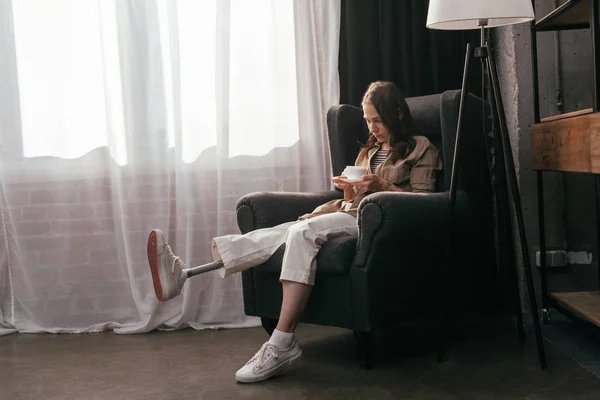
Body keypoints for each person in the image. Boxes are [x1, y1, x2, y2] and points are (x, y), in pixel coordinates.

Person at [146, 81, 442, 383]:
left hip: (374, 223)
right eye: (368, 120)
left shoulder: (421, 148)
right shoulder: (369, 151)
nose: (372, 127)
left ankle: (282, 342)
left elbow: (424, 199)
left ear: (398, 114)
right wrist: (349, 188)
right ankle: (182, 275)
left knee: (303, 232)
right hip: (345, 212)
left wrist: (382, 187)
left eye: (377, 120)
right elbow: (352, 198)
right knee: (281, 233)